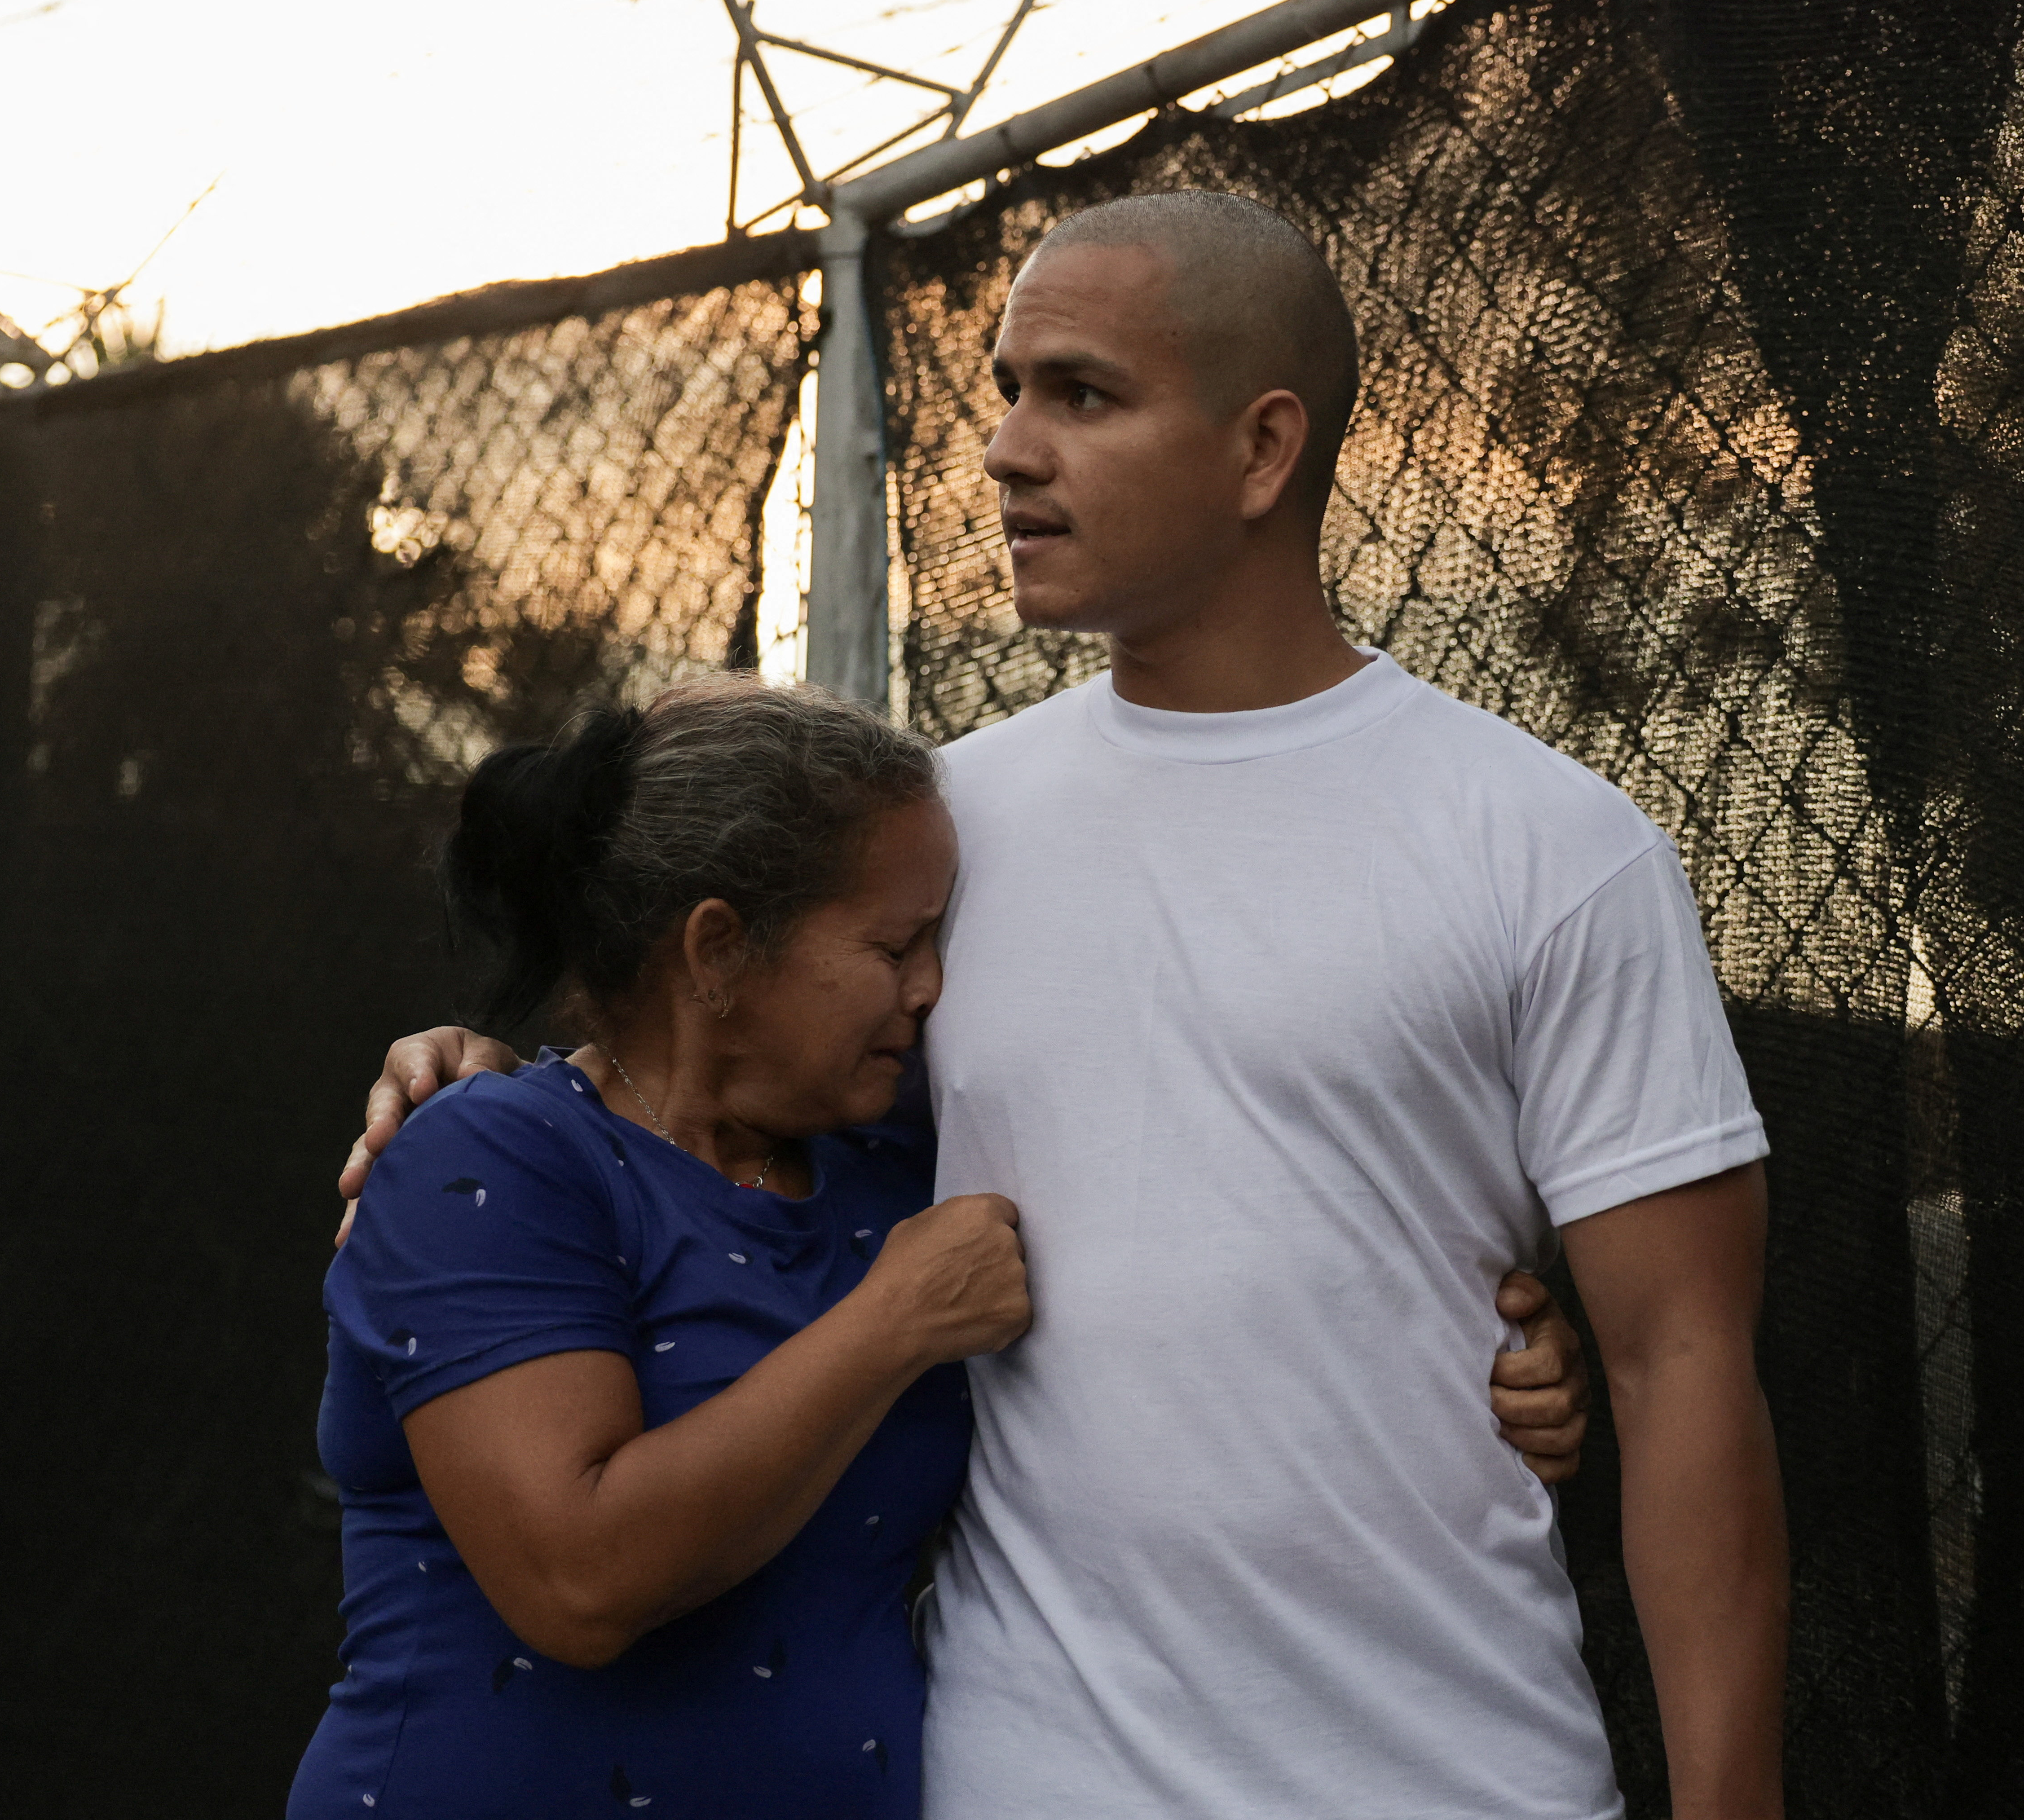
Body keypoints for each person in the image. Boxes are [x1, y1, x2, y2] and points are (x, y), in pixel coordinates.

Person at [353, 188, 1780, 1819]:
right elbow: (712, 1098)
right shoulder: (937, 839)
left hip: (1459, 1775)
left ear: (1262, 450)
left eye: (1082, 395)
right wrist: (483, 1078)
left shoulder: (1555, 848)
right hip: (1025, 1775)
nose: (1007, 449)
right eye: (1008, 390)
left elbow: (1684, 1367)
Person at [288, 677, 1032, 1819]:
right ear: (718, 950)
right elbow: (577, 1582)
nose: (931, 988)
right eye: (895, 945)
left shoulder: (886, 1160)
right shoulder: (495, 1159)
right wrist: (892, 1323)